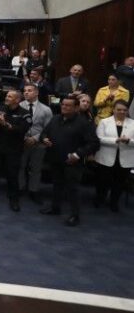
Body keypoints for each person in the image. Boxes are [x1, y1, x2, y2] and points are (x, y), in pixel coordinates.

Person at [39, 96, 100, 226]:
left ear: (76, 107)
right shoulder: (55, 119)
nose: (64, 107)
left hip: (72, 162)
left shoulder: (84, 123)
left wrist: (78, 155)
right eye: (63, 105)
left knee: (73, 189)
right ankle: (55, 208)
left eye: (68, 105)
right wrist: (44, 139)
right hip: (55, 159)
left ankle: (75, 215)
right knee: (56, 185)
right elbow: (44, 133)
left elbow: (94, 143)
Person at [0, 90, 31, 211]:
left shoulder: (25, 113)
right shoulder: (0, 109)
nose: (7, 98)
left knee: (12, 175)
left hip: (13, 150)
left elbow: (22, 130)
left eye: (10, 96)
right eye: (7, 96)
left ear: (17, 100)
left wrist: (6, 124)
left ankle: (14, 199)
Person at [94, 100, 133, 212]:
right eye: (119, 109)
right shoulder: (104, 122)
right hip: (105, 157)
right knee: (102, 181)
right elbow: (99, 138)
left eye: (124, 110)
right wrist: (116, 140)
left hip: (125, 159)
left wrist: (128, 141)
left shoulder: (133, 123)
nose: (122, 112)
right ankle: (99, 199)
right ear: (113, 110)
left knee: (119, 183)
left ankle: (114, 202)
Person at [19, 84, 53, 204]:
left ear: (37, 92)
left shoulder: (46, 109)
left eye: (29, 90)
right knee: (21, 166)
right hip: (21, 142)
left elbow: (48, 128)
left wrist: (35, 138)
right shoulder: (18, 106)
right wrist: (24, 138)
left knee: (36, 168)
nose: (26, 93)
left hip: (38, 143)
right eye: (24, 91)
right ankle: (20, 187)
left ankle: (33, 190)